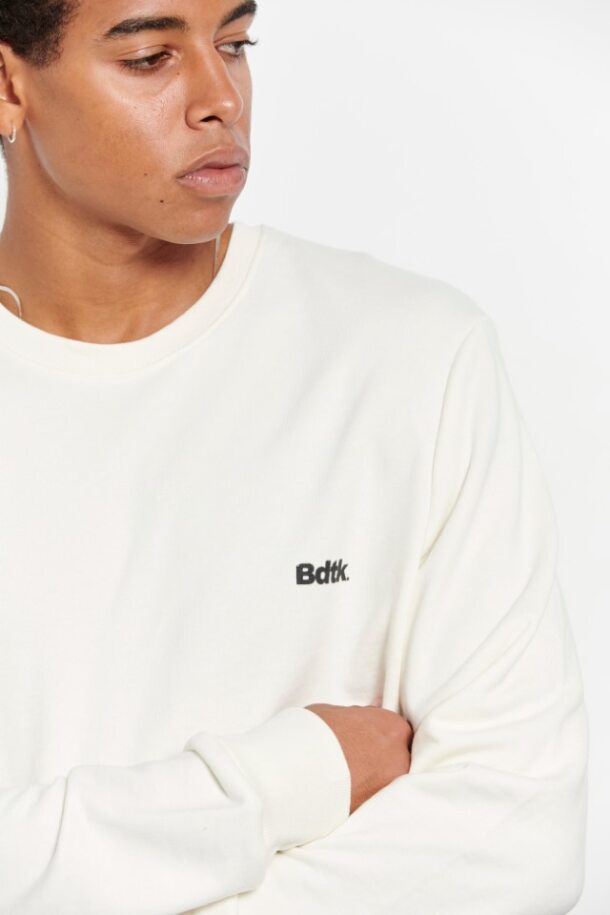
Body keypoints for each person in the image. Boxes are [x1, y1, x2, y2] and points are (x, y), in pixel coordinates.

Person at [0, 2, 588, 914]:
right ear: (9, 87)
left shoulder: (412, 358)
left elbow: (516, 835)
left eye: (235, 45)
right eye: (152, 58)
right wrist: (286, 778)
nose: (221, 97)